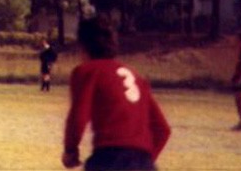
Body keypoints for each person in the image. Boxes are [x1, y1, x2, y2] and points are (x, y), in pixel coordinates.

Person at [63, 15, 170, 171]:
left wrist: (70, 150)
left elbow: (78, 116)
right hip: (144, 162)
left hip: (110, 159)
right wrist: (144, 163)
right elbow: (162, 129)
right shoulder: (136, 77)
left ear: (83, 47)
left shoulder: (87, 71)